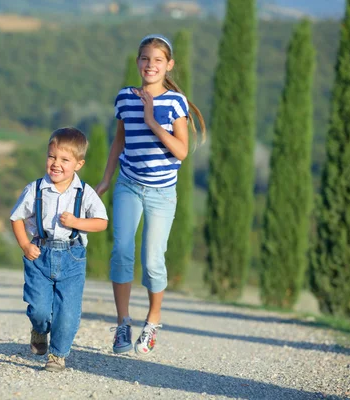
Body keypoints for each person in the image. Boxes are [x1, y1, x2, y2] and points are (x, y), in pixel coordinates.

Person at [96, 34, 206, 356]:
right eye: (145, 59)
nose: (150, 65)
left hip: (161, 191)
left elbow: (181, 151)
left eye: (158, 60)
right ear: (137, 62)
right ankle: (122, 324)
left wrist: (152, 121)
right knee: (121, 252)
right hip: (128, 183)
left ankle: (153, 321)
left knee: (153, 260)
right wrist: (105, 179)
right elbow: (120, 141)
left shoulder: (175, 102)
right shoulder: (125, 98)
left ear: (168, 65)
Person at [10, 127, 108, 372]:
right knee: (40, 308)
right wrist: (24, 244)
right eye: (52, 157)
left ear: (78, 164)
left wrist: (76, 222)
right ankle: (39, 330)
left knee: (68, 312)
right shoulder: (35, 189)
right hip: (39, 255)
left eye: (65, 160)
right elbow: (17, 218)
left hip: (72, 256)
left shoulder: (85, 192)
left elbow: (101, 222)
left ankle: (57, 356)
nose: (56, 164)